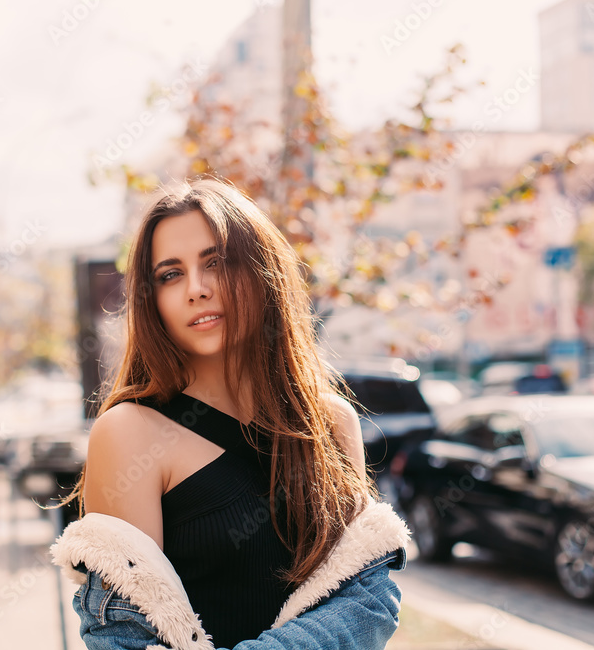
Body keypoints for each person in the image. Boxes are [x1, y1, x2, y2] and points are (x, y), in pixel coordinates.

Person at [50, 179, 409, 650]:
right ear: (151, 299)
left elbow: (367, 599)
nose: (196, 289)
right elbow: (127, 638)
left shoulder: (331, 423)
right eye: (170, 275)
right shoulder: (131, 433)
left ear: (263, 271)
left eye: (215, 262)